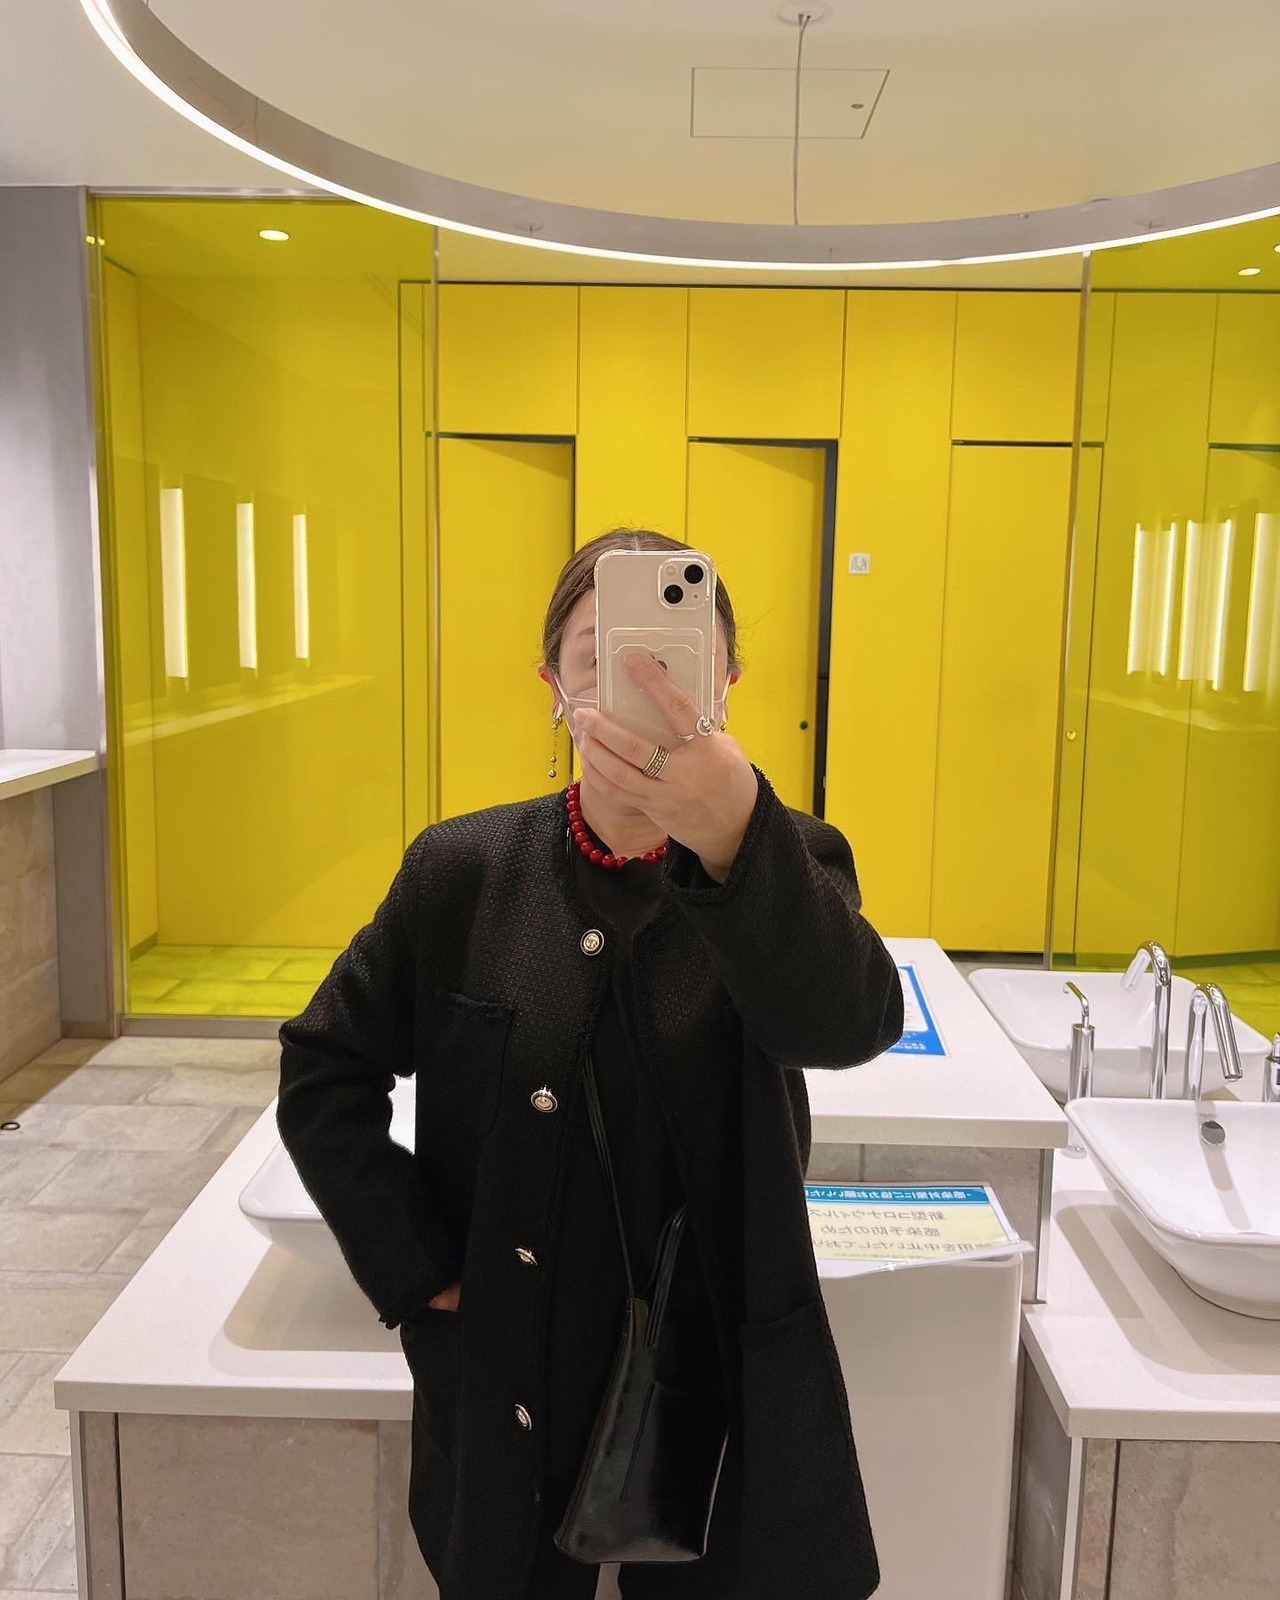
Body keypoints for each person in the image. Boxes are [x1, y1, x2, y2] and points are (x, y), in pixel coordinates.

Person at [276, 527, 905, 1600]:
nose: (641, 688)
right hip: (515, 1359)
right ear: (554, 688)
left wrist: (735, 833)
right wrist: (419, 1270)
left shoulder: (789, 860)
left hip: (718, 1375)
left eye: (678, 661)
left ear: (727, 685)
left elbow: (846, 1024)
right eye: (603, 659)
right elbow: (322, 1067)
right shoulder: (462, 871)